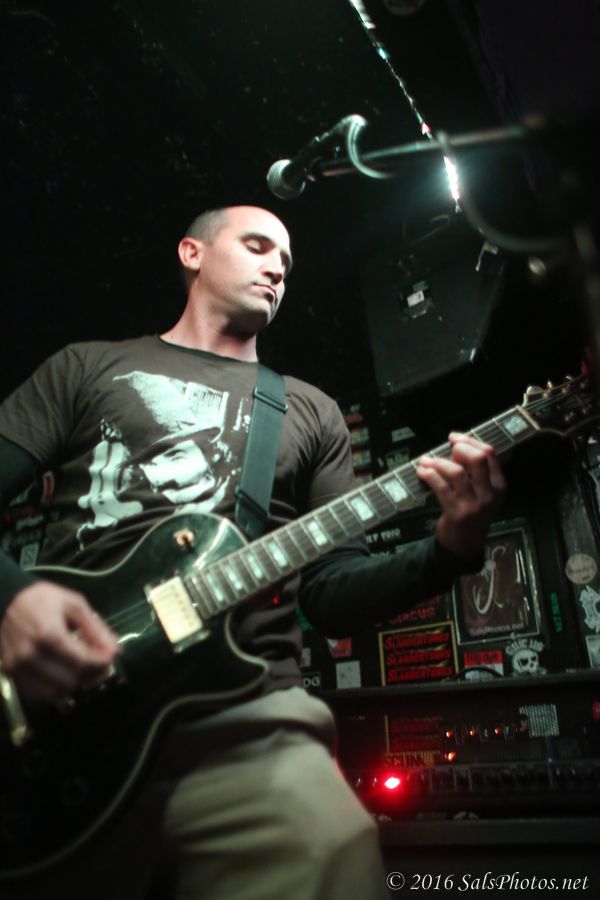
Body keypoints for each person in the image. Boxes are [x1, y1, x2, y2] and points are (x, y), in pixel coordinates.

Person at [0, 205, 505, 899]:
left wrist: (449, 550)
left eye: (287, 263)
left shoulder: (310, 410)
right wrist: (14, 599)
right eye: (259, 245)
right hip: (62, 700)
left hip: (247, 711)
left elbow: (330, 596)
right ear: (192, 253)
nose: (277, 269)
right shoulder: (87, 367)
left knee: (334, 851)